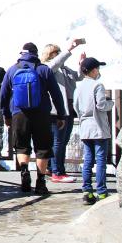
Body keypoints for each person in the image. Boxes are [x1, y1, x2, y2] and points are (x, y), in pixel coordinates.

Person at [0, 42, 67, 195]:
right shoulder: (44, 70)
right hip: (42, 114)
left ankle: (24, 174)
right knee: (42, 148)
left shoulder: (12, 70)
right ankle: (41, 182)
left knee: (22, 146)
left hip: (19, 114)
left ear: (21, 54)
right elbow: (56, 94)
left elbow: (3, 95)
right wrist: (61, 115)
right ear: (36, 54)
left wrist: (6, 115)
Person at [73, 57, 113, 204]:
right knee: (101, 160)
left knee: (88, 159)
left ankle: (87, 191)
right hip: (98, 126)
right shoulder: (98, 85)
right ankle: (102, 192)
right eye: (98, 69)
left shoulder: (79, 86)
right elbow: (101, 105)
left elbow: (76, 106)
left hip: (85, 127)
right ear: (94, 70)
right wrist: (111, 103)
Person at [45, 39, 84, 183]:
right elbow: (53, 65)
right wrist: (70, 50)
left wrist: (81, 64)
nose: (60, 55)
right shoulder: (48, 68)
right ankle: (58, 172)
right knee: (58, 142)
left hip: (68, 109)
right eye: (56, 53)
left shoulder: (65, 69)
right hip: (57, 111)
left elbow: (78, 76)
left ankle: (51, 167)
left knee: (62, 141)